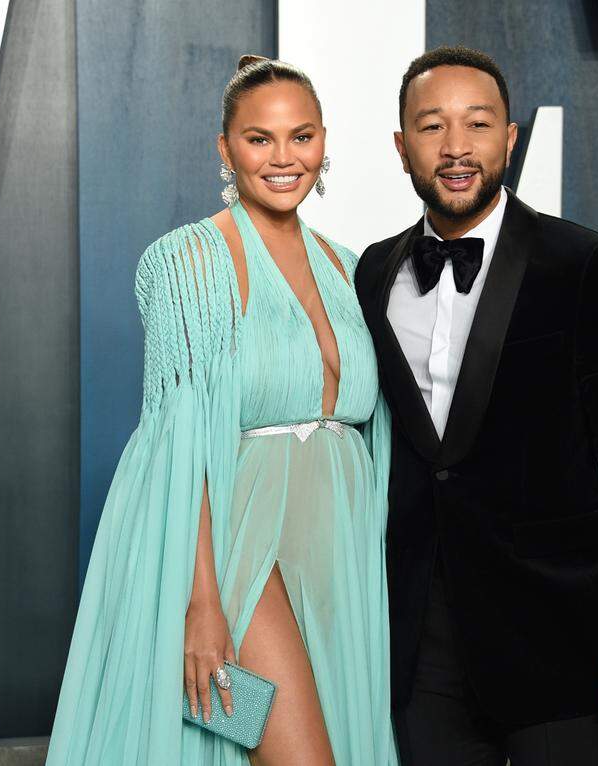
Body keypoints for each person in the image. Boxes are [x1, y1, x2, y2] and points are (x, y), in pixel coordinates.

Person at [46, 55, 398, 765]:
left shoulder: (353, 267)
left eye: (300, 137)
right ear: (224, 148)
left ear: (324, 142)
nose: (283, 158)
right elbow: (177, 441)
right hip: (239, 550)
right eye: (259, 138)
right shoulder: (191, 261)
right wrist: (199, 602)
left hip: (340, 550)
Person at [354, 46, 598, 765]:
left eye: (477, 125)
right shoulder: (373, 271)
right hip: (421, 648)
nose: (455, 148)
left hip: (559, 641)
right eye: (432, 126)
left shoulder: (587, 265)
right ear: (401, 146)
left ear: (509, 138)